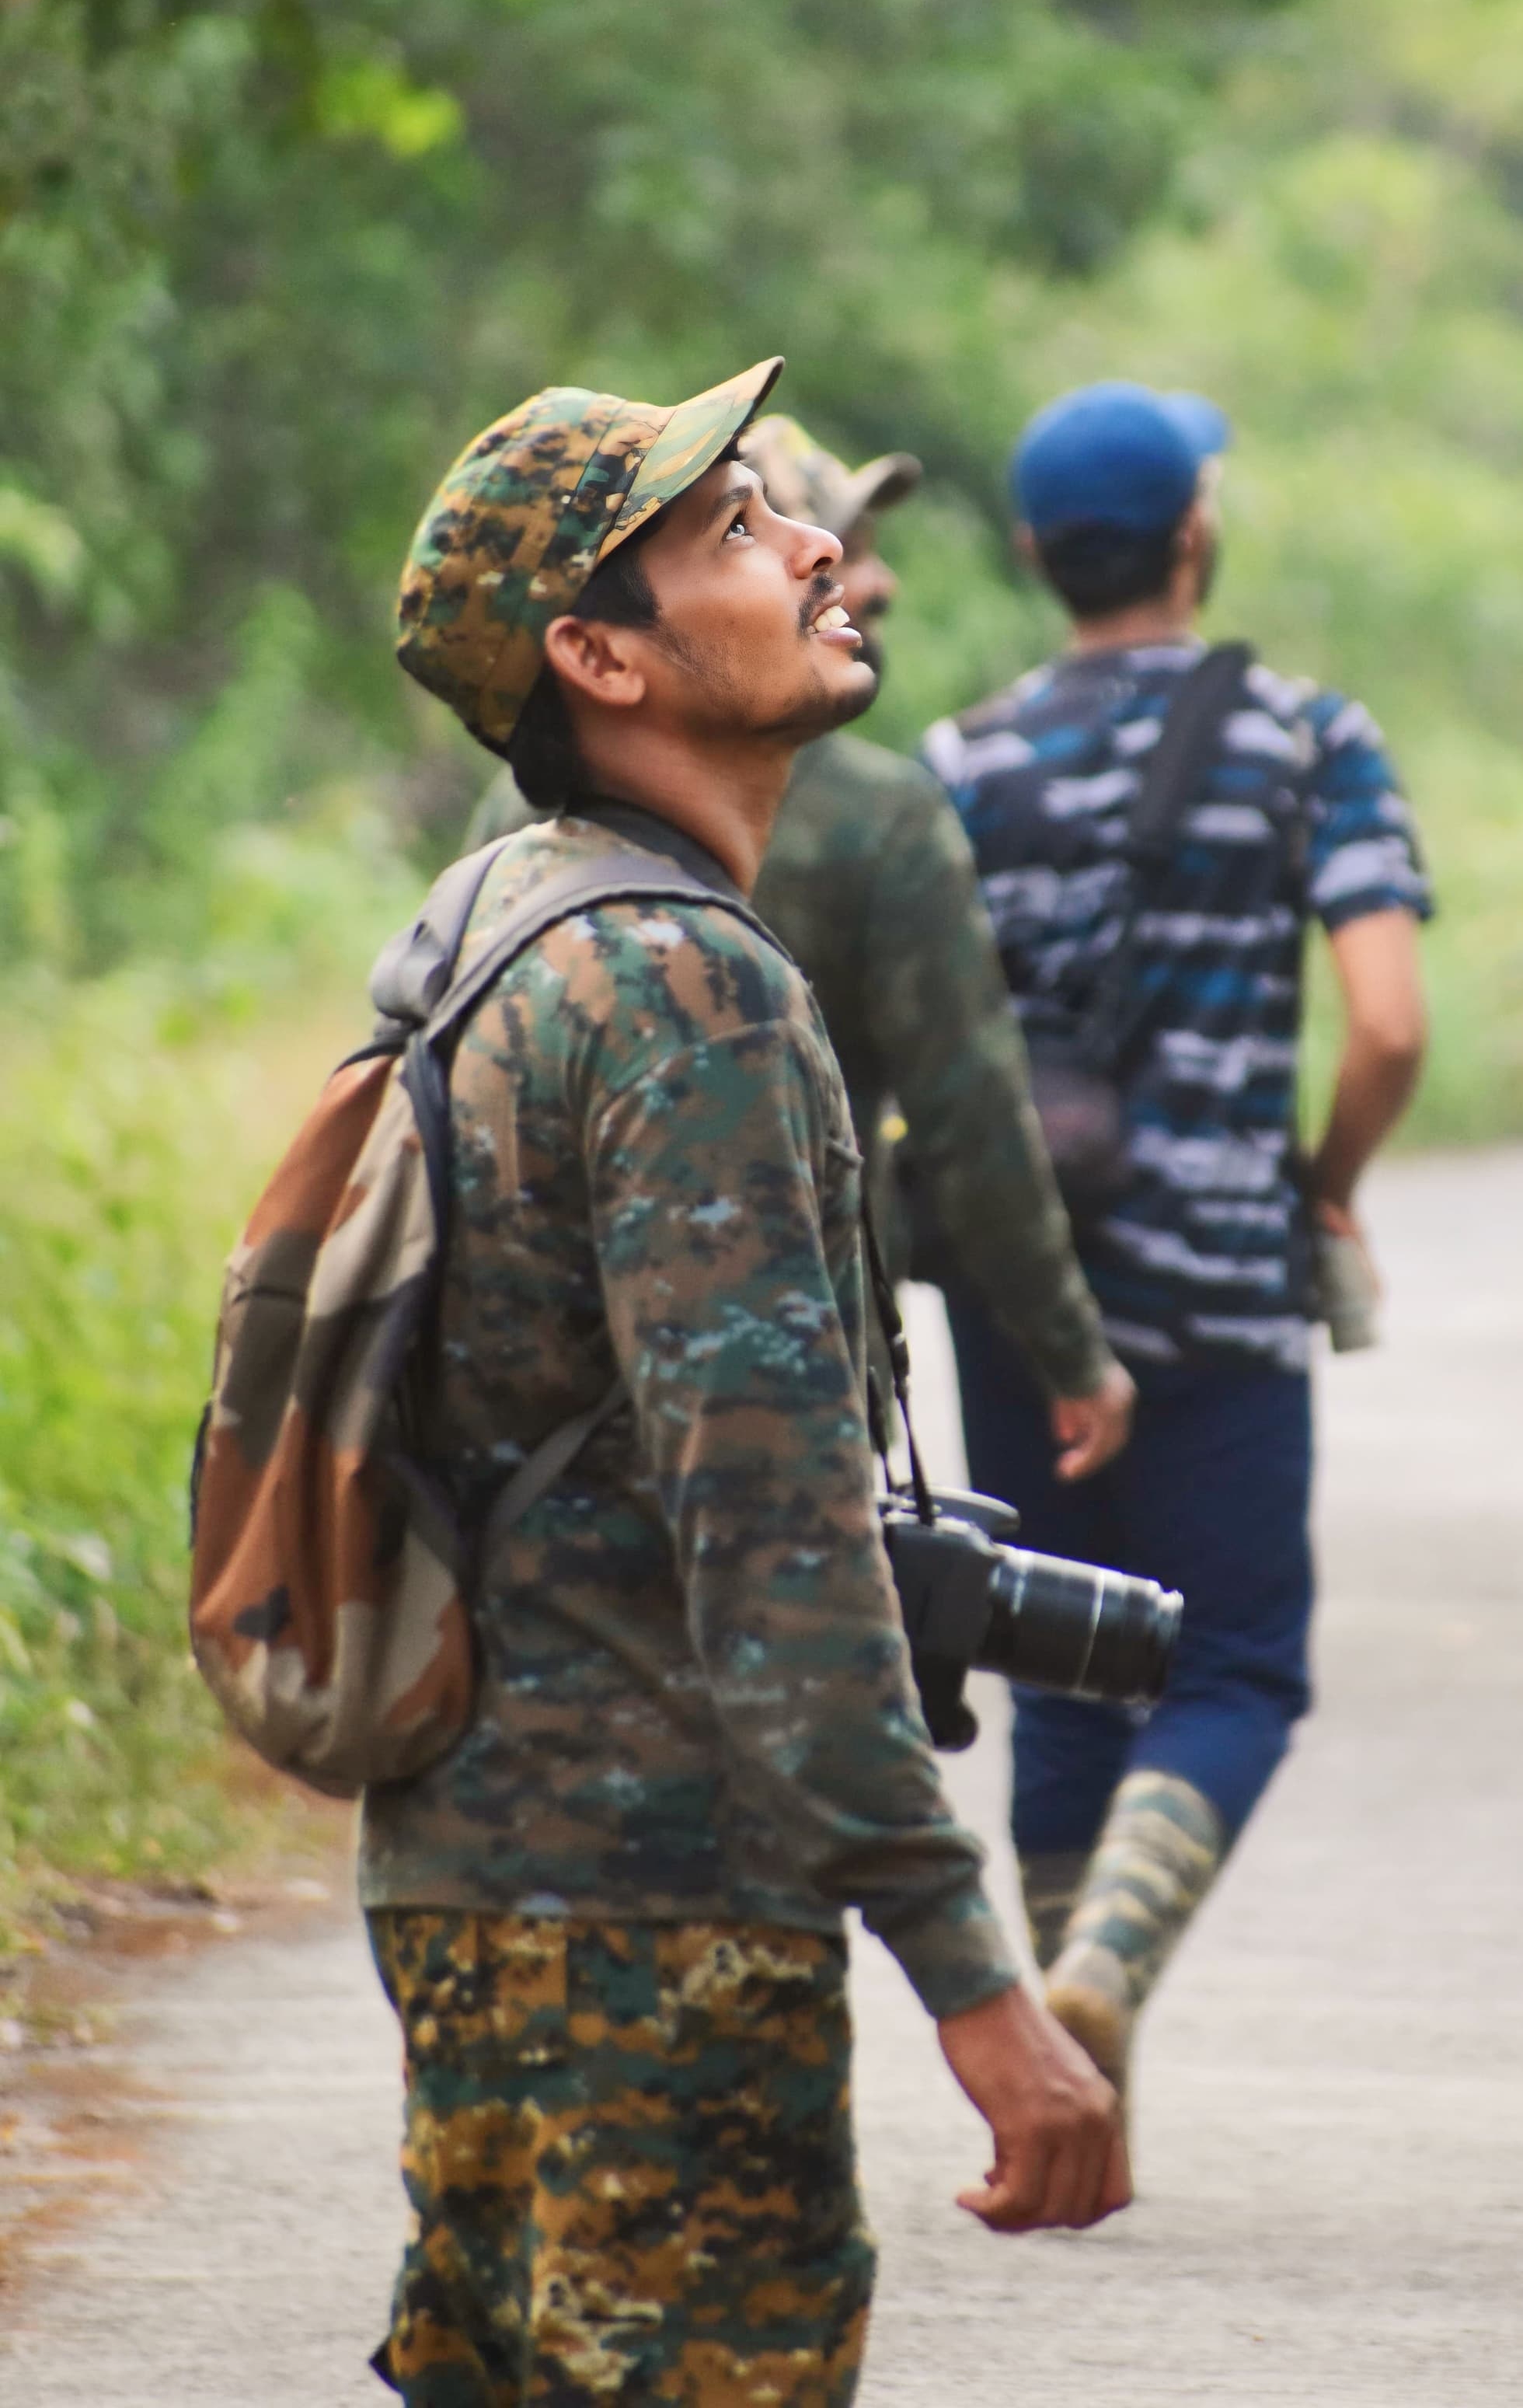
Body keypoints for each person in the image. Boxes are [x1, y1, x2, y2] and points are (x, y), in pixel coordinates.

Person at [372, 360, 1127, 2408]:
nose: (812, 543)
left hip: (472, 1879)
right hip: (657, 1916)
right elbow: (775, 1538)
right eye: (726, 531)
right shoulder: (693, 993)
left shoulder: (498, 924)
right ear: (596, 655)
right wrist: (982, 1987)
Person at [922, 378, 1432, 2097]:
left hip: (1018, 1277)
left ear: (1030, 555)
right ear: (1194, 534)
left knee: (1058, 1663)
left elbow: (924, 1038)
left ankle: (1076, 2082)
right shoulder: (1309, 738)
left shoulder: (963, 759)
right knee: (1228, 1662)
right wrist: (1330, 1179)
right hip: (1219, 1277)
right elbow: (1387, 1024)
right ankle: (1113, 1963)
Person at [471, 407, 1137, 1485]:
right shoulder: (876, 832)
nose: (854, 577)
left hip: (538, 1441)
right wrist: (1068, 1349)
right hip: (792, 1402)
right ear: (598, 656)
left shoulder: (506, 841)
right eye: (750, 531)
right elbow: (972, 1119)